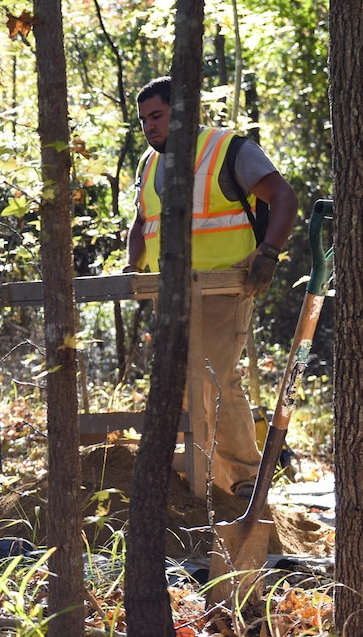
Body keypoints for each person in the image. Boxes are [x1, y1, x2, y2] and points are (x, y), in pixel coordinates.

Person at [124, 76, 298, 499]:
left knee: (211, 378)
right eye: (144, 119)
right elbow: (142, 224)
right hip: (170, 295)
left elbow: (283, 197)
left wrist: (270, 253)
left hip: (225, 286)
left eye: (158, 115)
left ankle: (243, 481)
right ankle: (204, 473)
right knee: (182, 382)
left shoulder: (228, 149)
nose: (150, 126)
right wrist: (133, 271)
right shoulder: (149, 164)